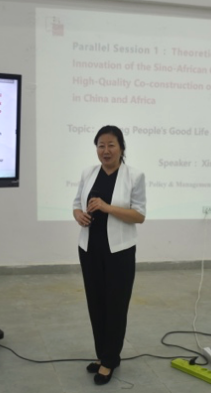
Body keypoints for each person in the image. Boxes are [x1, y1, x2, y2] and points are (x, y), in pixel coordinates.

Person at [72, 125, 146, 385]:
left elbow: (139, 215)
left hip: (119, 252)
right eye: (101, 145)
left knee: (115, 306)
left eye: (111, 145)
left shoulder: (134, 176)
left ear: (121, 148)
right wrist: (78, 215)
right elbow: (76, 204)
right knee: (96, 304)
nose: (105, 150)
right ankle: (103, 355)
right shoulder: (88, 173)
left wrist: (107, 207)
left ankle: (110, 360)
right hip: (89, 249)